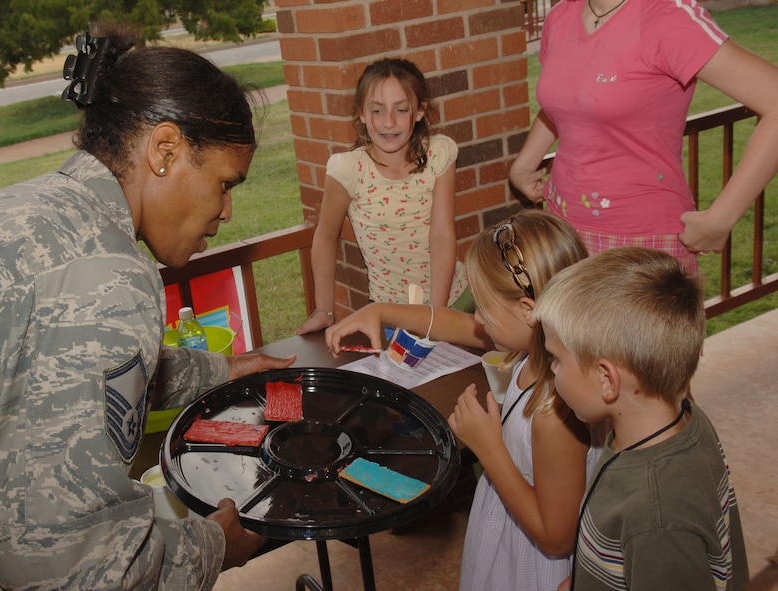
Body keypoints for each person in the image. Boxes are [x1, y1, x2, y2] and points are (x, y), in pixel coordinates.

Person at [0, 27, 296, 590]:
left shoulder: (32, 210)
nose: (226, 212)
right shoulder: (105, 278)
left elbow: (63, 374)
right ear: (165, 150)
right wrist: (215, 547)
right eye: (225, 183)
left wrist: (222, 368)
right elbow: (71, 561)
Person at [326, 209, 604, 591]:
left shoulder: (557, 412)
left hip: (534, 564)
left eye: (485, 308)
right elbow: (454, 323)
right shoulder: (536, 346)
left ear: (528, 312)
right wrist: (380, 310)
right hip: (506, 526)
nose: (478, 319)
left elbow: (556, 537)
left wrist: (489, 449)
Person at [509, 0, 778, 274]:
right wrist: (523, 166)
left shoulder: (667, 17)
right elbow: (569, 99)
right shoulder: (560, 16)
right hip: (561, 231)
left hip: (640, 243)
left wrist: (721, 218)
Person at [534, 246, 749, 591]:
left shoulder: (656, 520)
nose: (552, 371)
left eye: (556, 359)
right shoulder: (682, 420)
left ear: (607, 380)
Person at [297, 57, 469, 335]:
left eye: (401, 110)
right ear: (362, 114)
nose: (388, 122)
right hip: (391, 314)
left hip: (454, 303)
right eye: (377, 111)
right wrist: (324, 310)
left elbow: (442, 235)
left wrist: (436, 318)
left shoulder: (439, 155)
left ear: (419, 111)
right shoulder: (349, 170)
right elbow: (326, 236)